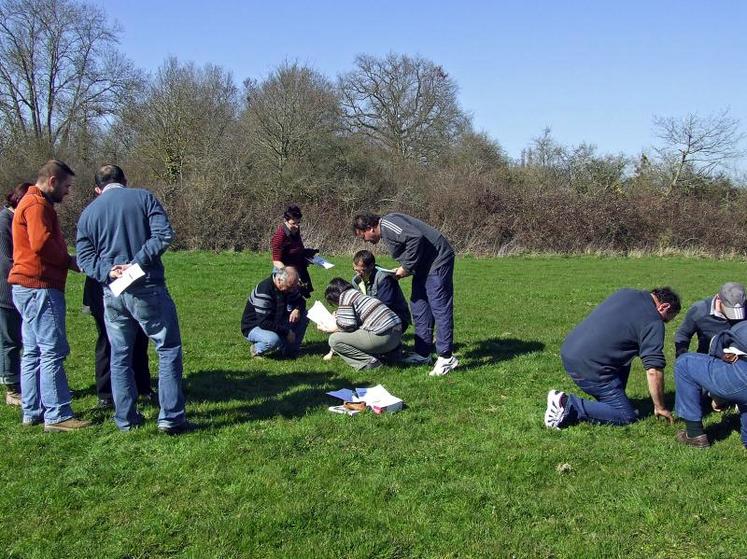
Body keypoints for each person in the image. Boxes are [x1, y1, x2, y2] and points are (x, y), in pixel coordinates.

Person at [76, 164, 188, 434]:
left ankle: (126, 419)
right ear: (125, 180)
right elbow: (163, 235)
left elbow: (83, 257)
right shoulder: (144, 198)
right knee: (168, 349)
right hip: (147, 285)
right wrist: (136, 263)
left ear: (97, 188)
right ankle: (170, 417)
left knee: (120, 355)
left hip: (112, 291)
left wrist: (107, 270)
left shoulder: (88, 213)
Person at [9, 160, 89, 431]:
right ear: (52, 182)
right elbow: (41, 243)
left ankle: (32, 411)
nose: (67, 192)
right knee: (52, 350)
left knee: (32, 351)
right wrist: (68, 261)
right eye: (66, 186)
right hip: (39, 286)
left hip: (25, 286)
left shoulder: (29, 202)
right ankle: (57, 414)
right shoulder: (37, 205)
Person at [544, 287, 681, 429]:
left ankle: (612, 402)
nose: (663, 323)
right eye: (666, 319)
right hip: (588, 366)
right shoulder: (653, 321)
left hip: (570, 350)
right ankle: (568, 404)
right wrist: (660, 407)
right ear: (664, 306)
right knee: (625, 415)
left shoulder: (627, 293)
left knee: (627, 356)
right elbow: (653, 369)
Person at [353, 213, 457, 376]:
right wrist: (405, 269)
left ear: (370, 228)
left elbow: (416, 238)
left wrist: (407, 266)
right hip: (423, 266)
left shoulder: (388, 224)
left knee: (439, 307)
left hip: (438, 260)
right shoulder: (386, 230)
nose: (366, 241)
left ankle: (446, 357)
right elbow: (413, 245)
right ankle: (423, 353)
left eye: (364, 236)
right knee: (419, 305)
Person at [674, 320, 747, 448]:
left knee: (684, 363)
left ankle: (694, 435)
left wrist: (717, 397)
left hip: (742, 377)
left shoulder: (740, 328)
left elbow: (717, 347)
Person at [83, 276, 153, 409]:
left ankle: (142, 386)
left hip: (133, 284)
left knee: (139, 338)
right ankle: (106, 393)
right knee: (107, 341)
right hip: (102, 286)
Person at [320, 278, 402, 370]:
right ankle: (391, 355)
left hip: (383, 337)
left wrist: (329, 328)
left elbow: (348, 326)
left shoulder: (345, 296)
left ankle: (369, 362)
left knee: (334, 340)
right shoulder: (356, 294)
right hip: (396, 334)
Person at [0, 182, 31, 406]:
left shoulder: (16, 220)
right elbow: (6, 261)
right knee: (10, 339)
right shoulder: (4, 222)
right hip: (7, 290)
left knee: (23, 338)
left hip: (20, 286)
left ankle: (26, 383)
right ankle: (11, 388)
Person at [241, 266, 308, 358]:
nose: (292, 290)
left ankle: (291, 350)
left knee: (305, 314)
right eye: (290, 287)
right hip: (254, 326)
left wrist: (297, 309)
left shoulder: (288, 286)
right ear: (279, 280)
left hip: (276, 320)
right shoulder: (264, 291)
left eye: (294, 287)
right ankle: (256, 349)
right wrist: (286, 332)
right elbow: (263, 322)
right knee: (273, 340)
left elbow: (301, 301)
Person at [674, 282, 746, 356]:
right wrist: (682, 355)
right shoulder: (699, 310)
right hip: (708, 360)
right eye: (730, 311)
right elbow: (683, 334)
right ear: (718, 299)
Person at [271, 204, 318, 298]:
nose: (296, 226)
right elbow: (276, 261)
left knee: (300, 299)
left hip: (299, 268)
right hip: (285, 272)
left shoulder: (296, 230)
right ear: (285, 221)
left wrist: (307, 255)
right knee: (286, 299)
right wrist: (291, 276)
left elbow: (297, 248)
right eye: (293, 223)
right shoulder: (279, 237)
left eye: (298, 223)